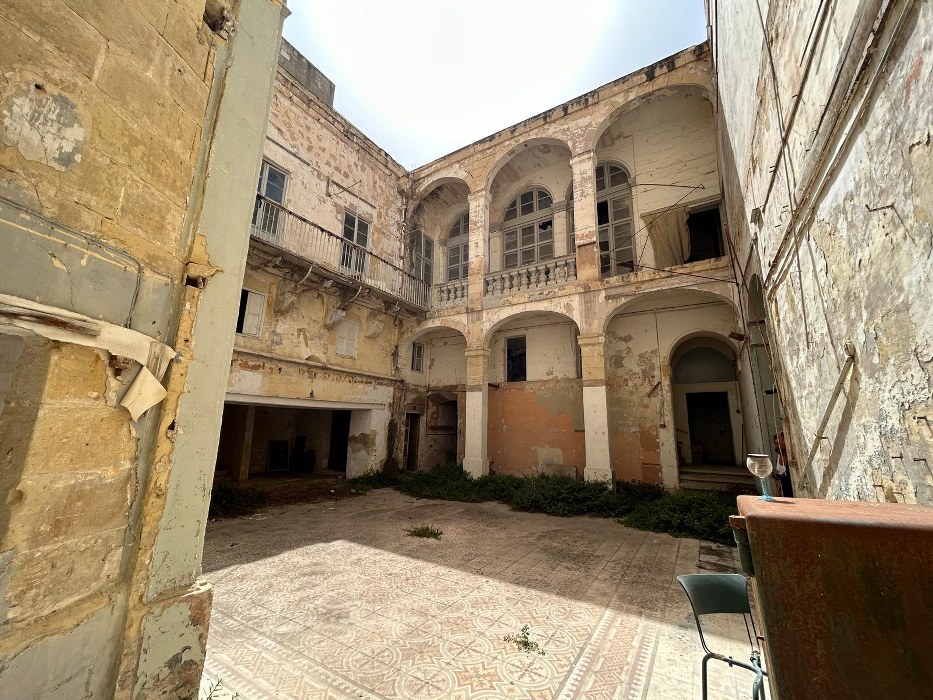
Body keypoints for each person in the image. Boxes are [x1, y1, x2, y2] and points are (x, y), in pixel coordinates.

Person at [772, 431, 794, 497]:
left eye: (778, 443)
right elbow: (778, 478)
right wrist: (778, 493)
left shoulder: (791, 455)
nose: (776, 446)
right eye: (775, 443)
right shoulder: (779, 456)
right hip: (785, 492)